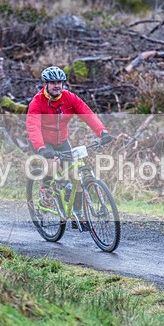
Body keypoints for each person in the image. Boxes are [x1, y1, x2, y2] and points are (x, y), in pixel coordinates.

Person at [26, 66, 114, 229]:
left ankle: (77, 215)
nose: (56, 85)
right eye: (52, 83)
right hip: (43, 142)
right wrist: (41, 148)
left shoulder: (69, 98)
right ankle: (46, 189)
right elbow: (33, 127)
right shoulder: (37, 102)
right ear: (45, 84)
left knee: (76, 177)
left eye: (59, 82)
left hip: (62, 141)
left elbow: (87, 114)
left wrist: (102, 132)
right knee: (53, 163)